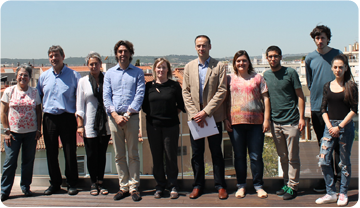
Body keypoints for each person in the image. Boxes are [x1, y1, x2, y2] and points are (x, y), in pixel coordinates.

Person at [182, 35, 228, 200]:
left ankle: (220, 185)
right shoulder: (188, 67)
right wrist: (196, 113)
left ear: (210, 46)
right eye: (198, 45)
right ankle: (198, 185)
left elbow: (222, 90)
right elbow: (185, 92)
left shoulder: (220, 66)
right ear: (195, 47)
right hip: (195, 119)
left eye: (204, 45)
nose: (201, 48)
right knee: (196, 154)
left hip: (212, 117)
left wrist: (206, 112)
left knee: (216, 153)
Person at [224, 50, 270, 199]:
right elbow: (225, 100)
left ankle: (258, 186)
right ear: (234, 63)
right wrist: (225, 118)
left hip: (256, 123)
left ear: (248, 62)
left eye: (244, 60)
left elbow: (266, 98)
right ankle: (241, 185)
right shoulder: (229, 79)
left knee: (256, 156)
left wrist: (266, 119)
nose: (241, 63)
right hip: (235, 123)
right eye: (238, 61)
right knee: (239, 156)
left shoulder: (257, 78)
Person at [103, 40, 145, 202]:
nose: (122, 54)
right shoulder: (110, 74)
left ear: (130, 54)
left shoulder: (138, 72)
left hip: (131, 118)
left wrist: (126, 115)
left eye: (125, 51)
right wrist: (115, 115)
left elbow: (139, 95)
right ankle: (123, 187)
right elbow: (106, 97)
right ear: (116, 54)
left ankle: (134, 187)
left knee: (133, 154)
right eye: (120, 51)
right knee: (119, 155)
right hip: (114, 118)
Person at [36, 45, 81, 195]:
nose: (53, 58)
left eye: (56, 55)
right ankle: (55, 183)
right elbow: (38, 99)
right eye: (51, 56)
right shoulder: (43, 76)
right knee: (51, 153)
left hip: (67, 117)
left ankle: (72, 183)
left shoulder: (74, 76)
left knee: (70, 151)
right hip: (49, 118)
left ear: (63, 56)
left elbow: (79, 100)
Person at [263, 46, 305, 200]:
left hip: (292, 122)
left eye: (275, 56)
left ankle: (293, 186)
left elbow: (300, 96)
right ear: (267, 58)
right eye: (270, 56)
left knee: (293, 157)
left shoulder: (291, 73)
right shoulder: (266, 75)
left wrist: (301, 118)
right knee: (282, 156)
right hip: (275, 123)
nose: (272, 59)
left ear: (280, 57)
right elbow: (265, 98)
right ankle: (287, 183)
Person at [315, 54, 357, 206]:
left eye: (341, 67)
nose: (338, 70)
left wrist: (339, 127)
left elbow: (354, 109)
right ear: (332, 68)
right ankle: (331, 192)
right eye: (335, 67)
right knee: (323, 159)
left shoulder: (351, 86)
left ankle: (343, 193)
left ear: (346, 68)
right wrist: (330, 126)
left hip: (345, 127)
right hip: (329, 126)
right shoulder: (327, 85)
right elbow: (323, 108)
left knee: (344, 162)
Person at [305, 25, 342, 192]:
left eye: (323, 38)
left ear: (328, 38)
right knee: (323, 145)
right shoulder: (309, 58)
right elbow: (310, 82)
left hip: (335, 107)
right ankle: (328, 179)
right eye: (317, 38)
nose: (320, 41)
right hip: (317, 107)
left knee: (338, 145)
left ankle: (340, 179)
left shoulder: (337, 54)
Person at [142, 58, 185, 199]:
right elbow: (145, 107)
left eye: (164, 67)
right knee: (157, 156)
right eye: (158, 67)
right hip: (153, 126)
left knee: (171, 156)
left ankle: (173, 185)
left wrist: (169, 115)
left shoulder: (174, 86)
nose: (161, 70)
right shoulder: (148, 86)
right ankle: (160, 185)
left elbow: (180, 105)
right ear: (154, 69)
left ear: (168, 70)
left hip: (170, 126)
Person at [0, 65, 42, 201]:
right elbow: (2, 112)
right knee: (10, 161)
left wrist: (38, 129)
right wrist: (6, 131)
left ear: (30, 78)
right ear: (17, 76)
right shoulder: (9, 91)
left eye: (26, 75)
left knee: (28, 161)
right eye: (20, 74)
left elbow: (38, 112)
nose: (23, 77)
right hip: (13, 133)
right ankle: (4, 190)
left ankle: (25, 187)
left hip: (31, 133)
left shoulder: (34, 92)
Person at [76, 52, 111, 196]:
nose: (94, 66)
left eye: (96, 63)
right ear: (87, 65)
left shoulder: (107, 80)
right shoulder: (83, 82)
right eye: (91, 64)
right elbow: (79, 105)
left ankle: (101, 182)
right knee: (91, 155)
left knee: (102, 154)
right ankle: (93, 182)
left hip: (105, 123)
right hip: (89, 123)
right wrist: (79, 125)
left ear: (100, 64)